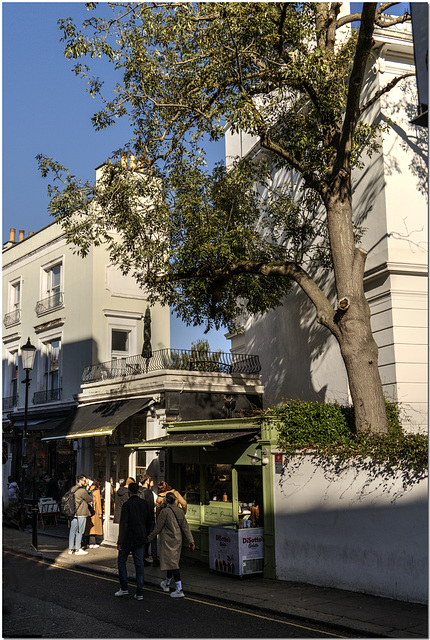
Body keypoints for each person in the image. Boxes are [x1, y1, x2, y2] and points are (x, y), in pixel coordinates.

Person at [148, 492, 195, 598]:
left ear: (167, 501)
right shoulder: (179, 511)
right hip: (178, 540)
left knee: (173, 564)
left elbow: (157, 528)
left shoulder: (165, 512)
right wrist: (191, 541)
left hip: (168, 541)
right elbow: (186, 527)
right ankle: (166, 583)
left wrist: (148, 539)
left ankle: (179, 589)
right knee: (172, 561)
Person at [115, 482, 152, 601]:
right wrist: (145, 534)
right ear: (138, 491)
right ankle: (140, 592)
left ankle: (124, 588)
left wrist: (120, 542)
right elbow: (149, 520)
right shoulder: (144, 503)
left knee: (121, 561)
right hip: (140, 537)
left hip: (127, 538)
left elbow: (123, 524)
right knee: (139, 564)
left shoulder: (127, 505)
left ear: (129, 491)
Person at [68, 474, 92, 556]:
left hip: (73, 512)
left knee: (72, 530)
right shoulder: (82, 490)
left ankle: (70, 549)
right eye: (84, 481)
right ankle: (78, 549)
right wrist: (89, 489)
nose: (85, 482)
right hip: (81, 513)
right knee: (80, 531)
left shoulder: (73, 488)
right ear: (80, 480)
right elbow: (90, 498)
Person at [138, 474, 158, 566]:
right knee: (152, 539)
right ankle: (154, 559)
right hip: (148, 521)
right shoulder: (148, 493)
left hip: (139, 520)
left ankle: (142, 557)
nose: (152, 482)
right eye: (151, 480)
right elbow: (150, 508)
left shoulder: (138, 491)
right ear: (147, 481)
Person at [83, 480, 103, 548]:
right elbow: (99, 502)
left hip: (88, 510)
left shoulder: (88, 490)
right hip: (95, 511)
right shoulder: (97, 491)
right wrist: (100, 513)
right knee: (94, 528)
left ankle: (87, 542)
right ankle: (93, 543)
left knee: (88, 527)